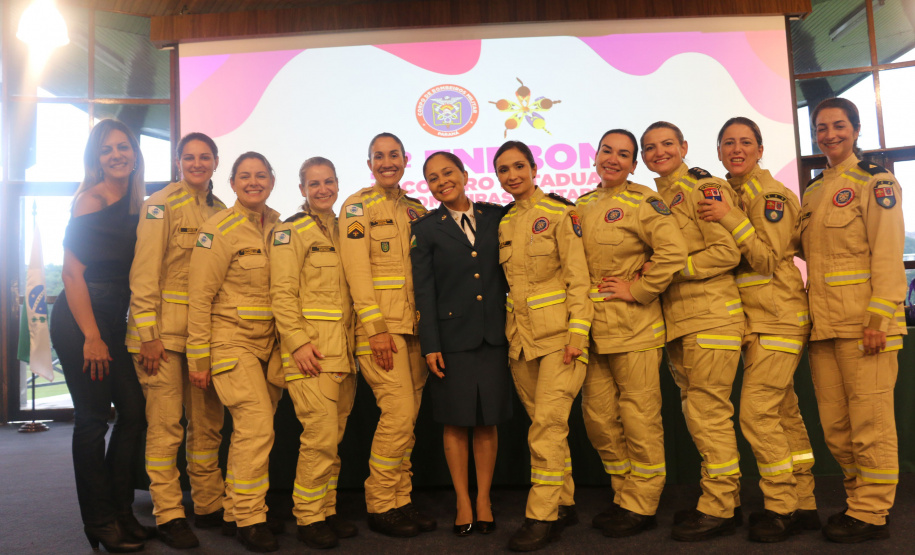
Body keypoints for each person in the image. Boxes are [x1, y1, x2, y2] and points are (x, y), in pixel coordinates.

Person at [697, 117, 821, 542]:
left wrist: (732, 218)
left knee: (756, 412)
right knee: (783, 411)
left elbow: (767, 260)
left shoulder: (769, 196)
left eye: (745, 142)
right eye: (728, 142)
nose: (736, 149)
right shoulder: (728, 192)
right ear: (717, 152)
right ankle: (804, 501)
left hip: (780, 317)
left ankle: (781, 505)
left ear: (760, 149)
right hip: (753, 321)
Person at [798, 98, 906, 543]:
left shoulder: (876, 182)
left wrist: (880, 318)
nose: (829, 135)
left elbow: (887, 253)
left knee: (871, 423)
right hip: (823, 328)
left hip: (866, 325)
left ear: (856, 130)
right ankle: (856, 498)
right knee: (837, 427)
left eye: (838, 126)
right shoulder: (814, 191)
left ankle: (872, 512)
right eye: (821, 128)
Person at [576, 130, 686, 537]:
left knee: (639, 419)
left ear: (633, 164)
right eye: (608, 151)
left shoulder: (644, 201)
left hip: (634, 328)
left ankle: (643, 503)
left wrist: (638, 289)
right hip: (592, 330)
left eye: (624, 154)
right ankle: (625, 493)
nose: (614, 160)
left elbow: (672, 252)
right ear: (596, 155)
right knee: (599, 419)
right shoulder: (582, 205)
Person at [640, 121, 745, 541]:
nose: (658, 152)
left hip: (711, 317)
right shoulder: (657, 198)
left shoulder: (704, 188)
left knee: (708, 414)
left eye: (667, 144)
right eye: (649, 147)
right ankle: (721, 498)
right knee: (698, 413)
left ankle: (720, 507)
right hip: (681, 321)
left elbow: (727, 250)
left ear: (684, 147)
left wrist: (669, 270)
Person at [50, 118, 148, 553]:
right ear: (97, 158)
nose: (117, 155)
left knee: (134, 410)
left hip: (115, 319)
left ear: (134, 153)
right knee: (92, 421)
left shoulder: (136, 200)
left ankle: (121, 509)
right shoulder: (88, 201)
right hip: (80, 317)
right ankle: (99, 521)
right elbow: (73, 272)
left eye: (123, 147)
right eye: (107, 149)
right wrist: (91, 335)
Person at [127, 132, 227, 549]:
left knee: (207, 427)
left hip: (204, 340)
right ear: (177, 160)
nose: (197, 164)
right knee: (166, 428)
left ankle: (207, 504)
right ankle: (168, 513)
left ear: (216, 162)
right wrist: (148, 336)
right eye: (190, 157)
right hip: (162, 340)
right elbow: (144, 276)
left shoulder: (221, 210)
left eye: (205, 157)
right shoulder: (159, 205)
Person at [494, 140, 593, 552]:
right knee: (546, 427)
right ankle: (563, 500)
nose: (512, 175)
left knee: (546, 430)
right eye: (503, 169)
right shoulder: (502, 223)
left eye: (519, 166)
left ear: (534, 168)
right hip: (521, 342)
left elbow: (578, 278)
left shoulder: (560, 213)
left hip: (560, 341)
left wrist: (578, 335)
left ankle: (540, 516)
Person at [338, 132, 434, 538]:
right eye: (379, 156)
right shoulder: (357, 207)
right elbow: (357, 274)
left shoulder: (416, 209)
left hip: (413, 329)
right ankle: (380, 503)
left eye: (394, 155)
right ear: (369, 164)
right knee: (396, 416)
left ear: (405, 160)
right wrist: (375, 329)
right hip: (380, 333)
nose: (387, 162)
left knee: (407, 420)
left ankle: (402, 499)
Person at [186, 152, 284, 553]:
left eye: (261, 175)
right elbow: (199, 296)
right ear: (231, 183)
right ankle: (249, 517)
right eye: (245, 176)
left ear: (272, 180)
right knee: (257, 426)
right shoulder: (218, 228)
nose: (253, 182)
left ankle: (235, 509)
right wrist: (198, 358)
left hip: (271, 345)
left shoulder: (279, 224)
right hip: (230, 340)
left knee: (251, 432)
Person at [410, 151, 512, 537]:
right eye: (433, 178)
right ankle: (462, 501)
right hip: (450, 340)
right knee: (455, 422)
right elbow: (425, 291)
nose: (442, 181)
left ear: (465, 174)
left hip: (493, 335)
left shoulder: (496, 216)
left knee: (487, 421)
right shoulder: (425, 229)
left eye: (448, 173)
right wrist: (430, 343)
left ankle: (483, 499)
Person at [270, 157, 359, 549]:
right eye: (314, 184)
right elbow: (282, 293)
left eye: (328, 182)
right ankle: (308, 517)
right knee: (319, 438)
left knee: (333, 438)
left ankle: (327, 509)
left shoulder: (345, 230)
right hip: (311, 353)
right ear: (302, 189)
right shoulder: (290, 231)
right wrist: (298, 343)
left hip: (345, 352)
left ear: (338, 184)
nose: (323, 189)